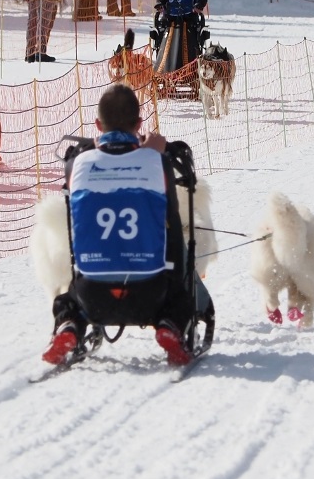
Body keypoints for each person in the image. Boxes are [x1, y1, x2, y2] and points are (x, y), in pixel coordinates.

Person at [42, 83, 212, 367]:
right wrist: (153, 151)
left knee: (68, 299)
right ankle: (169, 324)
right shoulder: (156, 162)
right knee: (179, 294)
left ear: (97, 124)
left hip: (91, 293)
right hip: (151, 291)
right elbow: (170, 213)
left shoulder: (79, 165)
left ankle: (69, 326)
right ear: (139, 123)